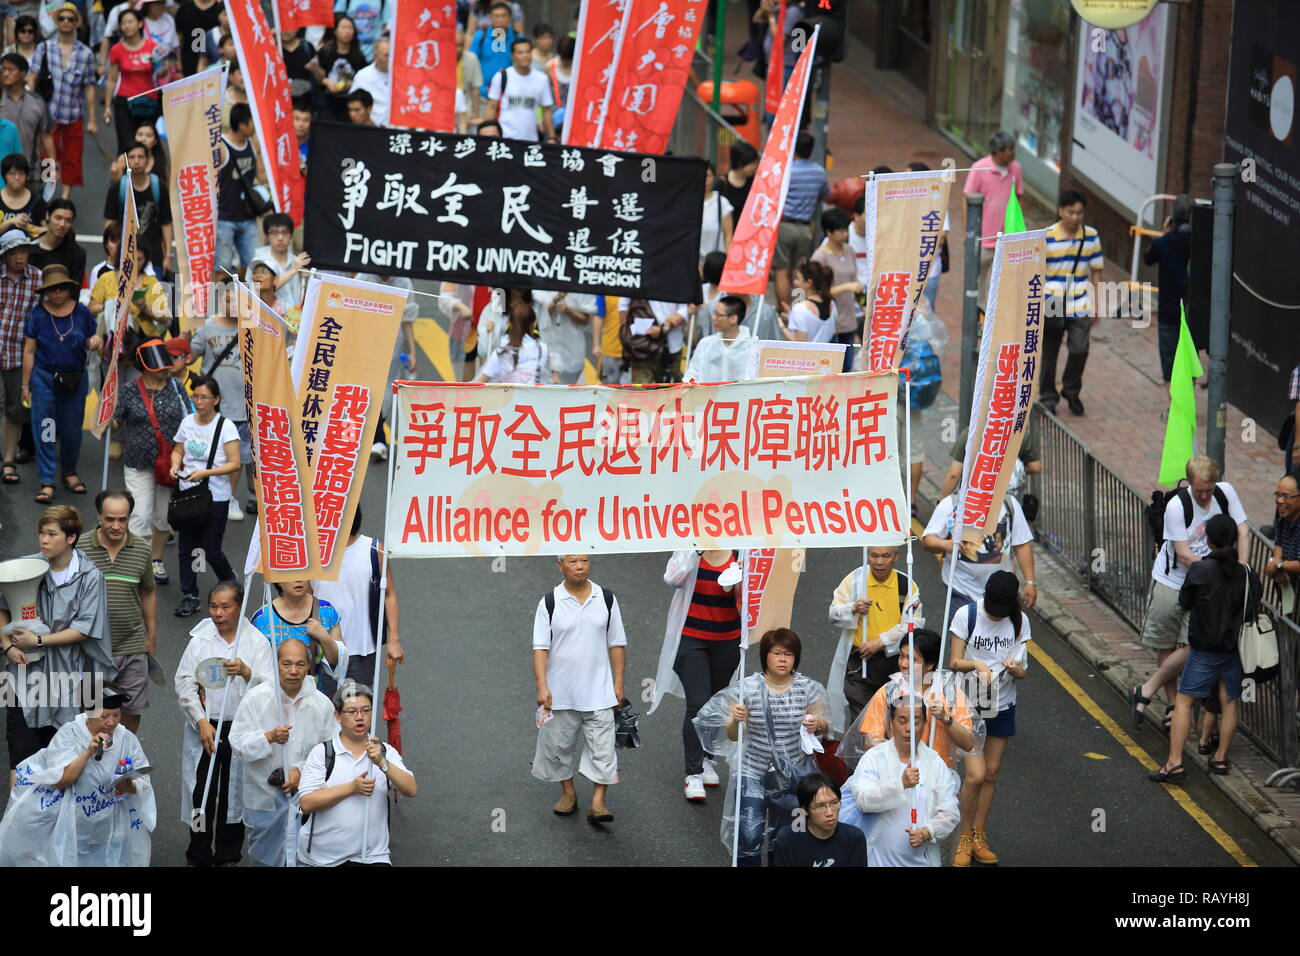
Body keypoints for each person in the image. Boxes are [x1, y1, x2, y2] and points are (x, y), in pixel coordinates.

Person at [1131, 456, 1249, 735]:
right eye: (1200, 491)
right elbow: (1184, 555)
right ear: (1190, 484)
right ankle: (1173, 707)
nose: (1206, 497)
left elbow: (1243, 530)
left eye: (1209, 490)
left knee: (1193, 647)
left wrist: (1241, 569)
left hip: (1205, 587)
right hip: (1171, 581)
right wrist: (1219, 572)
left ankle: (1145, 689)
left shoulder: (1226, 492)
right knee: (1165, 644)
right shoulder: (1177, 506)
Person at [692, 627, 828, 867]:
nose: (783, 659)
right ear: (766, 655)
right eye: (777, 653)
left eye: (789, 654)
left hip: (793, 774)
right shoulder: (748, 688)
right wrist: (735, 719)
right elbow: (733, 736)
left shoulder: (808, 688)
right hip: (752, 770)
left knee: (785, 837)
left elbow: (823, 726)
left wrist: (817, 723)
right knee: (749, 832)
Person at [1, 504, 114, 784]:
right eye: (41, 533)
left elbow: (84, 630)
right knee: (22, 756)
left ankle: (58, 824)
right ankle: (18, 821)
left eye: (52, 534)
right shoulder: (26, 566)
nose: (44, 540)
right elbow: (2, 608)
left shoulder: (90, 577)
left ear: (71, 537)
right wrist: (8, 646)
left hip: (70, 678)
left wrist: (38, 640)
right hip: (22, 676)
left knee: (63, 757)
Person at [1150, 514, 1262, 784]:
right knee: (1230, 702)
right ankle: (1221, 757)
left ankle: (1174, 763)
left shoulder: (1200, 571)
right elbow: (1252, 605)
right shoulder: (1246, 574)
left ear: (1208, 540)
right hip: (1234, 650)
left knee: (1184, 703)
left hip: (1202, 651)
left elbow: (1185, 600)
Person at [175, 580, 276, 866]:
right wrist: (200, 721)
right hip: (206, 727)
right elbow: (184, 683)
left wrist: (247, 672)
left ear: (239, 607)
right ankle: (198, 852)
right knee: (201, 794)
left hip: (240, 729)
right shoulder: (201, 640)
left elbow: (269, 688)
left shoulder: (256, 642)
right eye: (214, 607)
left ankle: (228, 854)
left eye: (225, 607)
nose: (218, 613)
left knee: (236, 795)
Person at [0, 689, 155, 866]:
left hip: (110, 823)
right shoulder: (69, 734)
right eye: (104, 716)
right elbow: (63, 780)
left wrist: (130, 786)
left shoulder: (127, 739)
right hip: (72, 822)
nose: (111, 722)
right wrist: (88, 752)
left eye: (116, 715)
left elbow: (143, 778)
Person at [532, 554, 627, 823]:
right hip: (560, 692)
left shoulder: (606, 598)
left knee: (603, 748)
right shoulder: (550, 602)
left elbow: (617, 643)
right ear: (560, 565)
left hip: (599, 690)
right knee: (558, 747)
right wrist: (542, 685)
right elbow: (540, 647)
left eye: (584, 560)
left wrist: (618, 683)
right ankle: (568, 792)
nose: (579, 566)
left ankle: (598, 802)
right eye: (572, 561)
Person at [230, 637, 337, 866]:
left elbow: (332, 751)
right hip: (264, 795)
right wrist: (268, 737)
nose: (293, 671)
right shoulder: (256, 698)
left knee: (304, 854)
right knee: (263, 856)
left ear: (308, 667)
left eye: (300, 664)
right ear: (276, 665)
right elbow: (237, 744)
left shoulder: (321, 704)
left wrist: (301, 771)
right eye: (286, 664)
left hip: (305, 796)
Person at [948, 570, 1030, 866]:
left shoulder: (1020, 621)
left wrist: (1017, 670)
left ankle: (979, 834)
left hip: (1003, 704)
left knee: (992, 772)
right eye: (993, 610)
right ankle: (964, 837)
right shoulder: (966, 615)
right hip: (968, 704)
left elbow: (1023, 667)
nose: (996, 616)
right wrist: (978, 665)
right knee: (976, 775)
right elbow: (953, 661)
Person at [651, 548, 742, 802]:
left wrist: (741, 578)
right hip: (692, 639)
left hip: (727, 639)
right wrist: (694, 552)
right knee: (698, 703)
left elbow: (751, 597)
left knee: (716, 702)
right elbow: (672, 578)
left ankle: (707, 758)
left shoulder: (740, 550)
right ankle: (693, 772)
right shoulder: (689, 548)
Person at [296, 681, 417, 866]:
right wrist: (352, 788)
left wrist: (382, 763)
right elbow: (306, 803)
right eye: (352, 712)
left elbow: (411, 789)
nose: (360, 717)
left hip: (372, 857)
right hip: (321, 859)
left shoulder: (384, 751)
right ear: (337, 716)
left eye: (366, 711)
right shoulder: (322, 753)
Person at [846, 695, 961, 867]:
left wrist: (928, 832)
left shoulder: (935, 763)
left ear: (925, 725)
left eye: (916, 722)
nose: (909, 729)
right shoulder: (874, 758)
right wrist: (900, 785)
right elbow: (864, 800)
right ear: (891, 724)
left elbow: (950, 812)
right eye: (902, 721)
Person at [844, 628, 981, 771]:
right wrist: (900, 766)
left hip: (939, 778)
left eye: (912, 659)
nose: (903, 663)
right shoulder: (890, 691)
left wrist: (945, 717)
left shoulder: (949, 693)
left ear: (930, 664)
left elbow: (968, 743)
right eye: (901, 656)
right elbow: (871, 741)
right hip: (898, 778)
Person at [78, 489, 155, 735]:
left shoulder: (142, 549)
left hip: (132, 645)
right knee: (91, 711)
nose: (116, 525)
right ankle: (91, 758)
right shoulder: (79, 548)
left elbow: (148, 591)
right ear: (99, 515)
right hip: (91, 647)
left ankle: (120, 757)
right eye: (110, 518)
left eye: (123, 519)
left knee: (132, 711)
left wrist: (151, 634)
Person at [827, 545, 923, 735]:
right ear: (867, 555)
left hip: (896, 664)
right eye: (874, 555)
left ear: (896, 556)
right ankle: (860, 763)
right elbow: (833, 614)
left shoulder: (906, 585)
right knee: (863, 725)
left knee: (893, 721)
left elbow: (913, 625)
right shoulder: (855, 580)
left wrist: (880, 642)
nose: (879, 562)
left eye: (885, 556)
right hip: (860, 663)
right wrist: (853, 608)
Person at [22, 263, 98, 502]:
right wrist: (25, 385)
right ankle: (47, 478)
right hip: (45, 378)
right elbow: (29, 351)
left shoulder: (82, 313)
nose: (57, 294)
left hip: (75, 380)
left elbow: (90, 340)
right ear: (45, 291)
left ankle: (69, 471)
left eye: (61, 288)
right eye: (52, 289)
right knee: (46, 428)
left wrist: (95, 341)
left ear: (68, 289)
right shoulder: (37, 313)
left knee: (71, 430)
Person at [115, 339, 186, 585]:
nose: (164, 372)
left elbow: (190, 418)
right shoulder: (127, 390)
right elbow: (115, 421)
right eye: (158, 368)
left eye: (165, 367)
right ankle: (138, 564)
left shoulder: (177, 388)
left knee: (163, 516)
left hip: (170, 463)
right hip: (139, 461)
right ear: (144, 367)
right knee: (140, 515)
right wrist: (103, 414)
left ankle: (156, 561)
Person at [169, 375, 241, 617]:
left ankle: (230, 581)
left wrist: (205, 472)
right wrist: (174, 464)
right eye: (195, 396)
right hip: (188, 495)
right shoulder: (188, 422)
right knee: (186, 548)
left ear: (216, 399)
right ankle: (190, 594)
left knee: (211, 549)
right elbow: (178, 449)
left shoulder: (226, 427)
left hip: (215, 496)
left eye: (204, 397)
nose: (199, 402)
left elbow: (235, 463)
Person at [312, 508, 404, 684]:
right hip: (321, 649)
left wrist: (394, 639)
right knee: (321, 709)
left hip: (362, 652)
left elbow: (389, 594)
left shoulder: (374, 549)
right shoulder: (310, 551)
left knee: (358, 709)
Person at [185, 282, 253, 520]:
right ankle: (200, 493)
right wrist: (185, 341)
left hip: (241, 405)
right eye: (227, 300)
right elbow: (190, 355)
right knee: (205, 450)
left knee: (237, 457)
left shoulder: (253, 327)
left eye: (237, 300)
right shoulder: (208, 327)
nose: (232, 305)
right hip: (209, 403)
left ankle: (228, 497)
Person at [922, 488, 1037, 622]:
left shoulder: (1008, 503)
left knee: (1001, 638)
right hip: (960, 590)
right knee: (962, 638)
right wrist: (946, 544)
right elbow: (928, 540)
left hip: (1001, 593)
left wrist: (1030, 582)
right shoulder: (952, 503)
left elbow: (1022, 544)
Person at [1041, 188, 1105, 416]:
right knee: (1049, 353)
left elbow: (1097, 271)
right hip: (1052, 303)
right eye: (1071, 212)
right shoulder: (1046, 236)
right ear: (1061, 211)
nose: (1076, 218)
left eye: (1080, 213)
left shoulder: (1091, 236)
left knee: (1080, 349)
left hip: (1080, 303)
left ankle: (1071, 389)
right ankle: (1048, 396)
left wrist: (1096, 303)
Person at [27, 3, 95, 199]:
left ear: (77, 22)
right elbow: (32, 76)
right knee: (47, 156)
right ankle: (48, 193)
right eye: (62, 18)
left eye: (71, 19)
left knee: (73, 157)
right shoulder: (45, 47)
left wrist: (92, 119)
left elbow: (89, 86)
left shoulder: (86, 53)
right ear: (56, 21)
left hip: (74, 112)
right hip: (49, 111)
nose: (66, 22)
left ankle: (65, 197)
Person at [251, 580, 349, 699]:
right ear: (279, 581)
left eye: (303, 574)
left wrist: (324, 637)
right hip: (275, 699)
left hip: (317, 699)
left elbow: (336, 661)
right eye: (292, 576)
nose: (298, 580)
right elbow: (256, 669)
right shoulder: (262, 618)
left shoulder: (326, 611)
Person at [965, 130, 1024, 309]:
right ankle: (979, 318)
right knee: (978, 282)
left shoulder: (1016, 169)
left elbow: (1018, 196)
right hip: (983, 240)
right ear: (997, 151)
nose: (1013, 153)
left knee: (1003, 282)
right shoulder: (979, 168)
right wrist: (970, 232)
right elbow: (967, 198)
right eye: (1009, 149)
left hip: (1006, 239)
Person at [0, 226, 38, 483]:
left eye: (23, 251)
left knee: (15, 410)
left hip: (17, 353)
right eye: (14, 252)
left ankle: (9, 459)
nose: (19, 257)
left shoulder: (37, 278)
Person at [1143, 194, 1192, 391]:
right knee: (1189, 359)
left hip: (1169, 311)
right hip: (1193, 311)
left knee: (1169, 359)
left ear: (1172, 216)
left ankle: (1174, 409)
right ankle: (1187, 403)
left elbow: (1148, 259)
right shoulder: (1201, 242)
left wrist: (1164, 233)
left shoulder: (1163, 243)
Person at [774, 132, 828, 310]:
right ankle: (798, 310)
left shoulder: (787, 170)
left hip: (784, 226)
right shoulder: (819, 172)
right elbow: (825, 194)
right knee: (800, 271)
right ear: (811, 151)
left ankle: (783, 311)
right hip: (806, 229)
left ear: (794, 150)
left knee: (782, 270)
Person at [103, 141, 173, 275]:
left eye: (140, 157)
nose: (136, 161)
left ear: (147, 160)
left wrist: (168, 255)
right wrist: (109, 252)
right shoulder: (118, 188)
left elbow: (166, 223)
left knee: (153, 294)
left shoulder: (159, 186)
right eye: (131, 157)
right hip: (123, 255)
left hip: (154, 256)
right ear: (126, 161)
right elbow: (110, 222)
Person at [770, 772, 867, 867]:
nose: (829, 813)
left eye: (834, 803)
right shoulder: (788, 839)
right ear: (805, 810)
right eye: (820, 806)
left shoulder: (854, 837)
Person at [812, 207, 864, 367]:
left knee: (847, 367)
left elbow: (855, 282)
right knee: (830, 369)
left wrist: (863, 304)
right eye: (840, 231)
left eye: (845, 230)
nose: (845, 235)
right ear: (828, 232)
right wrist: (847, 286)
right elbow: (818, 294)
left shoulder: (849, 251)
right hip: (829, 322)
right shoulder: (820, 258)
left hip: (848, 320)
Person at [215, 102, 264, 274]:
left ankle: (242, 296)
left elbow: (261, 174)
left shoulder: (252, 143)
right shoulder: (221, 147)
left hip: (248, 216)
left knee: (251, 265)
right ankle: (221, 300)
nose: (255, 127)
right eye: (252, 123)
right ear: (242, 125)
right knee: (223, 267)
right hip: (224, 217)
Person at [103, 8, 157, 155]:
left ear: (140, 24)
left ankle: (150, 177)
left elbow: (161, 75)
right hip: (125, 102)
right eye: (123, 23)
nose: (127, 25)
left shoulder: (152, 46)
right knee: (126, 145)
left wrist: (165, 66)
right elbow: (112, 79)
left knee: (149, 145)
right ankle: (124, 177)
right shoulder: (116, 49)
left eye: (130, 21)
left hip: (148, 101)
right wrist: (108, 107)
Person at [938, 424, 1043, 499]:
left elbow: (954, 474)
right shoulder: (1020, 434)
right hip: (1008, 500)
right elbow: (1035, 467)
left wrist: (941, 502)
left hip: (975, 499)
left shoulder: (971, 434)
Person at [486, 36, 554, 142]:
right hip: (505, 138)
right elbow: (491, 107)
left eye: (528, 52)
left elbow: (547, 110)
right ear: (512, 56)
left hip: (531, 139)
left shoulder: (542, 79)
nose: (525, 56)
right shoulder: (501, 77)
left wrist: (551, 137)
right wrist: (487, 137)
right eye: (520, 52)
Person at [475, 300, 555, 383]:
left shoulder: (501, 351)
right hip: (533, 395)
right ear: (534, 324)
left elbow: (481, 381)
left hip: (507, 394)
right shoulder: (542, 348)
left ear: (509, 324)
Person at [0, 51, 51, 176]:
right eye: (3, 69)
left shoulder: (37, 102)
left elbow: (46, 137)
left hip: (30, 172)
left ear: (23, 74)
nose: (5, 74)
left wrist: (51, 169)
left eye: (11, 70)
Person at [683, 294, 754, 383]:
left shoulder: (752, 347)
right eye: (714, 313)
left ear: (733, 318)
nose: (713, 318)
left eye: (718, 315)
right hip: (707, 396)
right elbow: (692, 373)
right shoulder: (706, 344)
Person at [533, 288, 595, 385]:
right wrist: (555, 300)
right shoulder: (540, 288)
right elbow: (536, 319)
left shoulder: (580, 289)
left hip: (572, 352)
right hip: (547, 348)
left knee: (566, 393)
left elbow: (585, 320)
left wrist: (569, 311)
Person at [318, 14, 367, 121]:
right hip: (328, 101)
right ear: (335, 31)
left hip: (349, 103)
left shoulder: (359, 55)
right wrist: (327, 82)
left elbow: (363, 79)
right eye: (343, 27)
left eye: (350, 28)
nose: (347, 32)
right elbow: (317, 76)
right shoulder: (325, 52)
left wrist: (352, 84)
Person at [777, 257, 836, 343]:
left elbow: (799, 343)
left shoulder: (800, 309)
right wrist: (791, 316)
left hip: (808, 356)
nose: (794, 282)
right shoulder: (832, 305)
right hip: (826, 356)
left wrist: (781, 326)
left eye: (797, 278)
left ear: (808, 283)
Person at [468, 1, 519, 97]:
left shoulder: (517, 38)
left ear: (509, 18)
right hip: (483, 94)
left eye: (503, 16)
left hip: (510, 94)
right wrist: (480, 88)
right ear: (490, 18)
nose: (500, 19)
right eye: (496, 16)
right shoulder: (480, 36)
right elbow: (472, 64)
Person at [29, 198, 84, 282]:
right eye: (58, 218)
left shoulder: (76, 254)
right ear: (48, 216)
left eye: (68, 220)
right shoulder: (29, 247)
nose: (62, 224)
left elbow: (74, 289)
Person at [1267, 474, 1300, 588]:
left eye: (1286, 496)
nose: (1280, 501)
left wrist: (1279, 564)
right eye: (1278, 495)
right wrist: (1276, 561)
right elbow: (1278, 543)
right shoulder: (1282, 517)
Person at [350, 35, 390, 127]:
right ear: (375, 56)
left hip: (398, 131)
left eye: (393, 54)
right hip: (371, 129)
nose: (390, 58)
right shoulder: (363, 76)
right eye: (386, 55)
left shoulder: (403, 74)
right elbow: (354, 104)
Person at [175, 0, 222, 77]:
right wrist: (178, 61)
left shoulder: (218, 7)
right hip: (188, 60)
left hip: (213, 62)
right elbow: (179, 38)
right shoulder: (185, 7)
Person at [0, 152, 43, 234]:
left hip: (30, 246)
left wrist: (28, 227)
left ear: (27, 175)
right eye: (12, 173)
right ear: (4, 176)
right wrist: (10, 222)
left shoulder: (37, 201)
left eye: (21, 174)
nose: (17, 178)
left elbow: (48, 231)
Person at [699, 162, 734, 258]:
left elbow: (728, 234)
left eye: (709, 176)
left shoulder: (722, 202)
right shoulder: (688, 203)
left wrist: (728, 259)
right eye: (702, 176)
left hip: (716, 262)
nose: (706, 180)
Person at [718, 140, 759, 217]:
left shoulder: (755, 182)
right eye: (751, 164)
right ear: (739, 164)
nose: (754, 167)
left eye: (756, 163)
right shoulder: (722, 183)